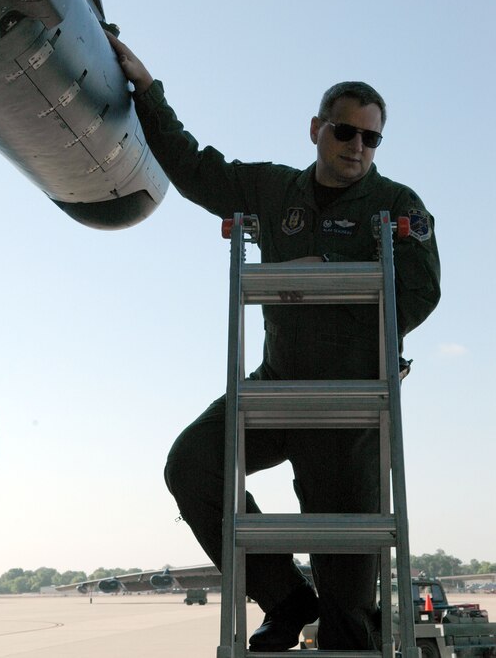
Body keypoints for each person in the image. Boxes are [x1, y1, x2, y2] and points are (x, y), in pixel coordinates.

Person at [107, 33, 441, 652]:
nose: (358, 147)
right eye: (346, 132)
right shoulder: (272, 190)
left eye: (371, 138)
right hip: (276, 390)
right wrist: (149, 94)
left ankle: (337, 623)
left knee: (349, 612)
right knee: (193, 465)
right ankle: (284, 596)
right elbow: (195, 170)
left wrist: (332, 273)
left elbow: (420, 293)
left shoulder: (395, 205)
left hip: (349, 411)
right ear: (316, 128)